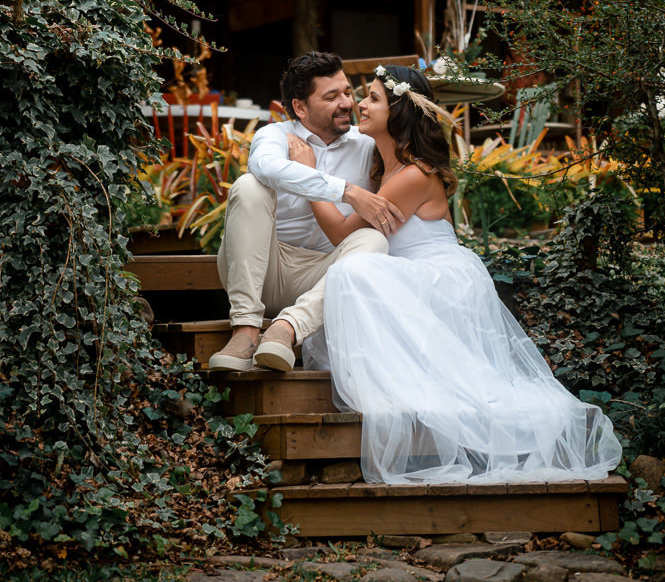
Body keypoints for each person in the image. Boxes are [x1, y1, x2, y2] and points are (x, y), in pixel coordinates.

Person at [287, 64, 622, 484]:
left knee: (354, 271)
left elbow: (339, 232)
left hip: (438, 279)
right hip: (412, 274)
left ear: (399, 112)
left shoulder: (412, 175)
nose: (359, 105)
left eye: (373, 97)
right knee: (358, 270)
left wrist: (308, 176)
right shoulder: (381, 168)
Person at [208, 51, 404, 373]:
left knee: (373, 241)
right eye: (331, 96)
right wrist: (346, 191)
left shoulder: (366, 143)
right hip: (265, 269)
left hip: (322, 279)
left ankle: (286, 329)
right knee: (249, 185)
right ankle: (245, 331)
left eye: (346, 92)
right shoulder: (276, 135)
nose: (347, 103)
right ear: (300, 107)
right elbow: (264, 166)